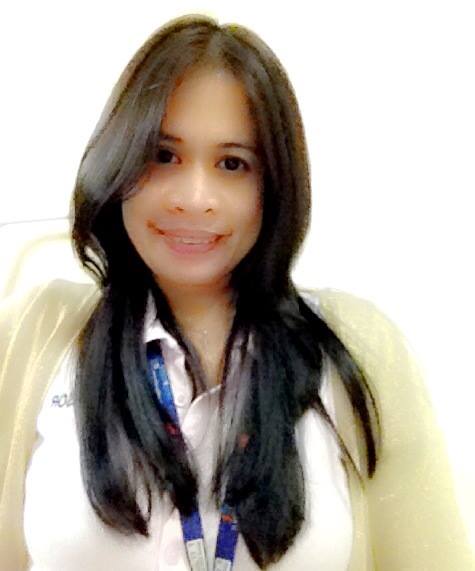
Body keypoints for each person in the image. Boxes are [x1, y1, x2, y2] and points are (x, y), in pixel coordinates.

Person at [0, 13, 473, 571]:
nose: (195, 197)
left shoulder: (359, 348)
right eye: (164, 155)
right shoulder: (38, 335)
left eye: (232, 164)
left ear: (273, 184)